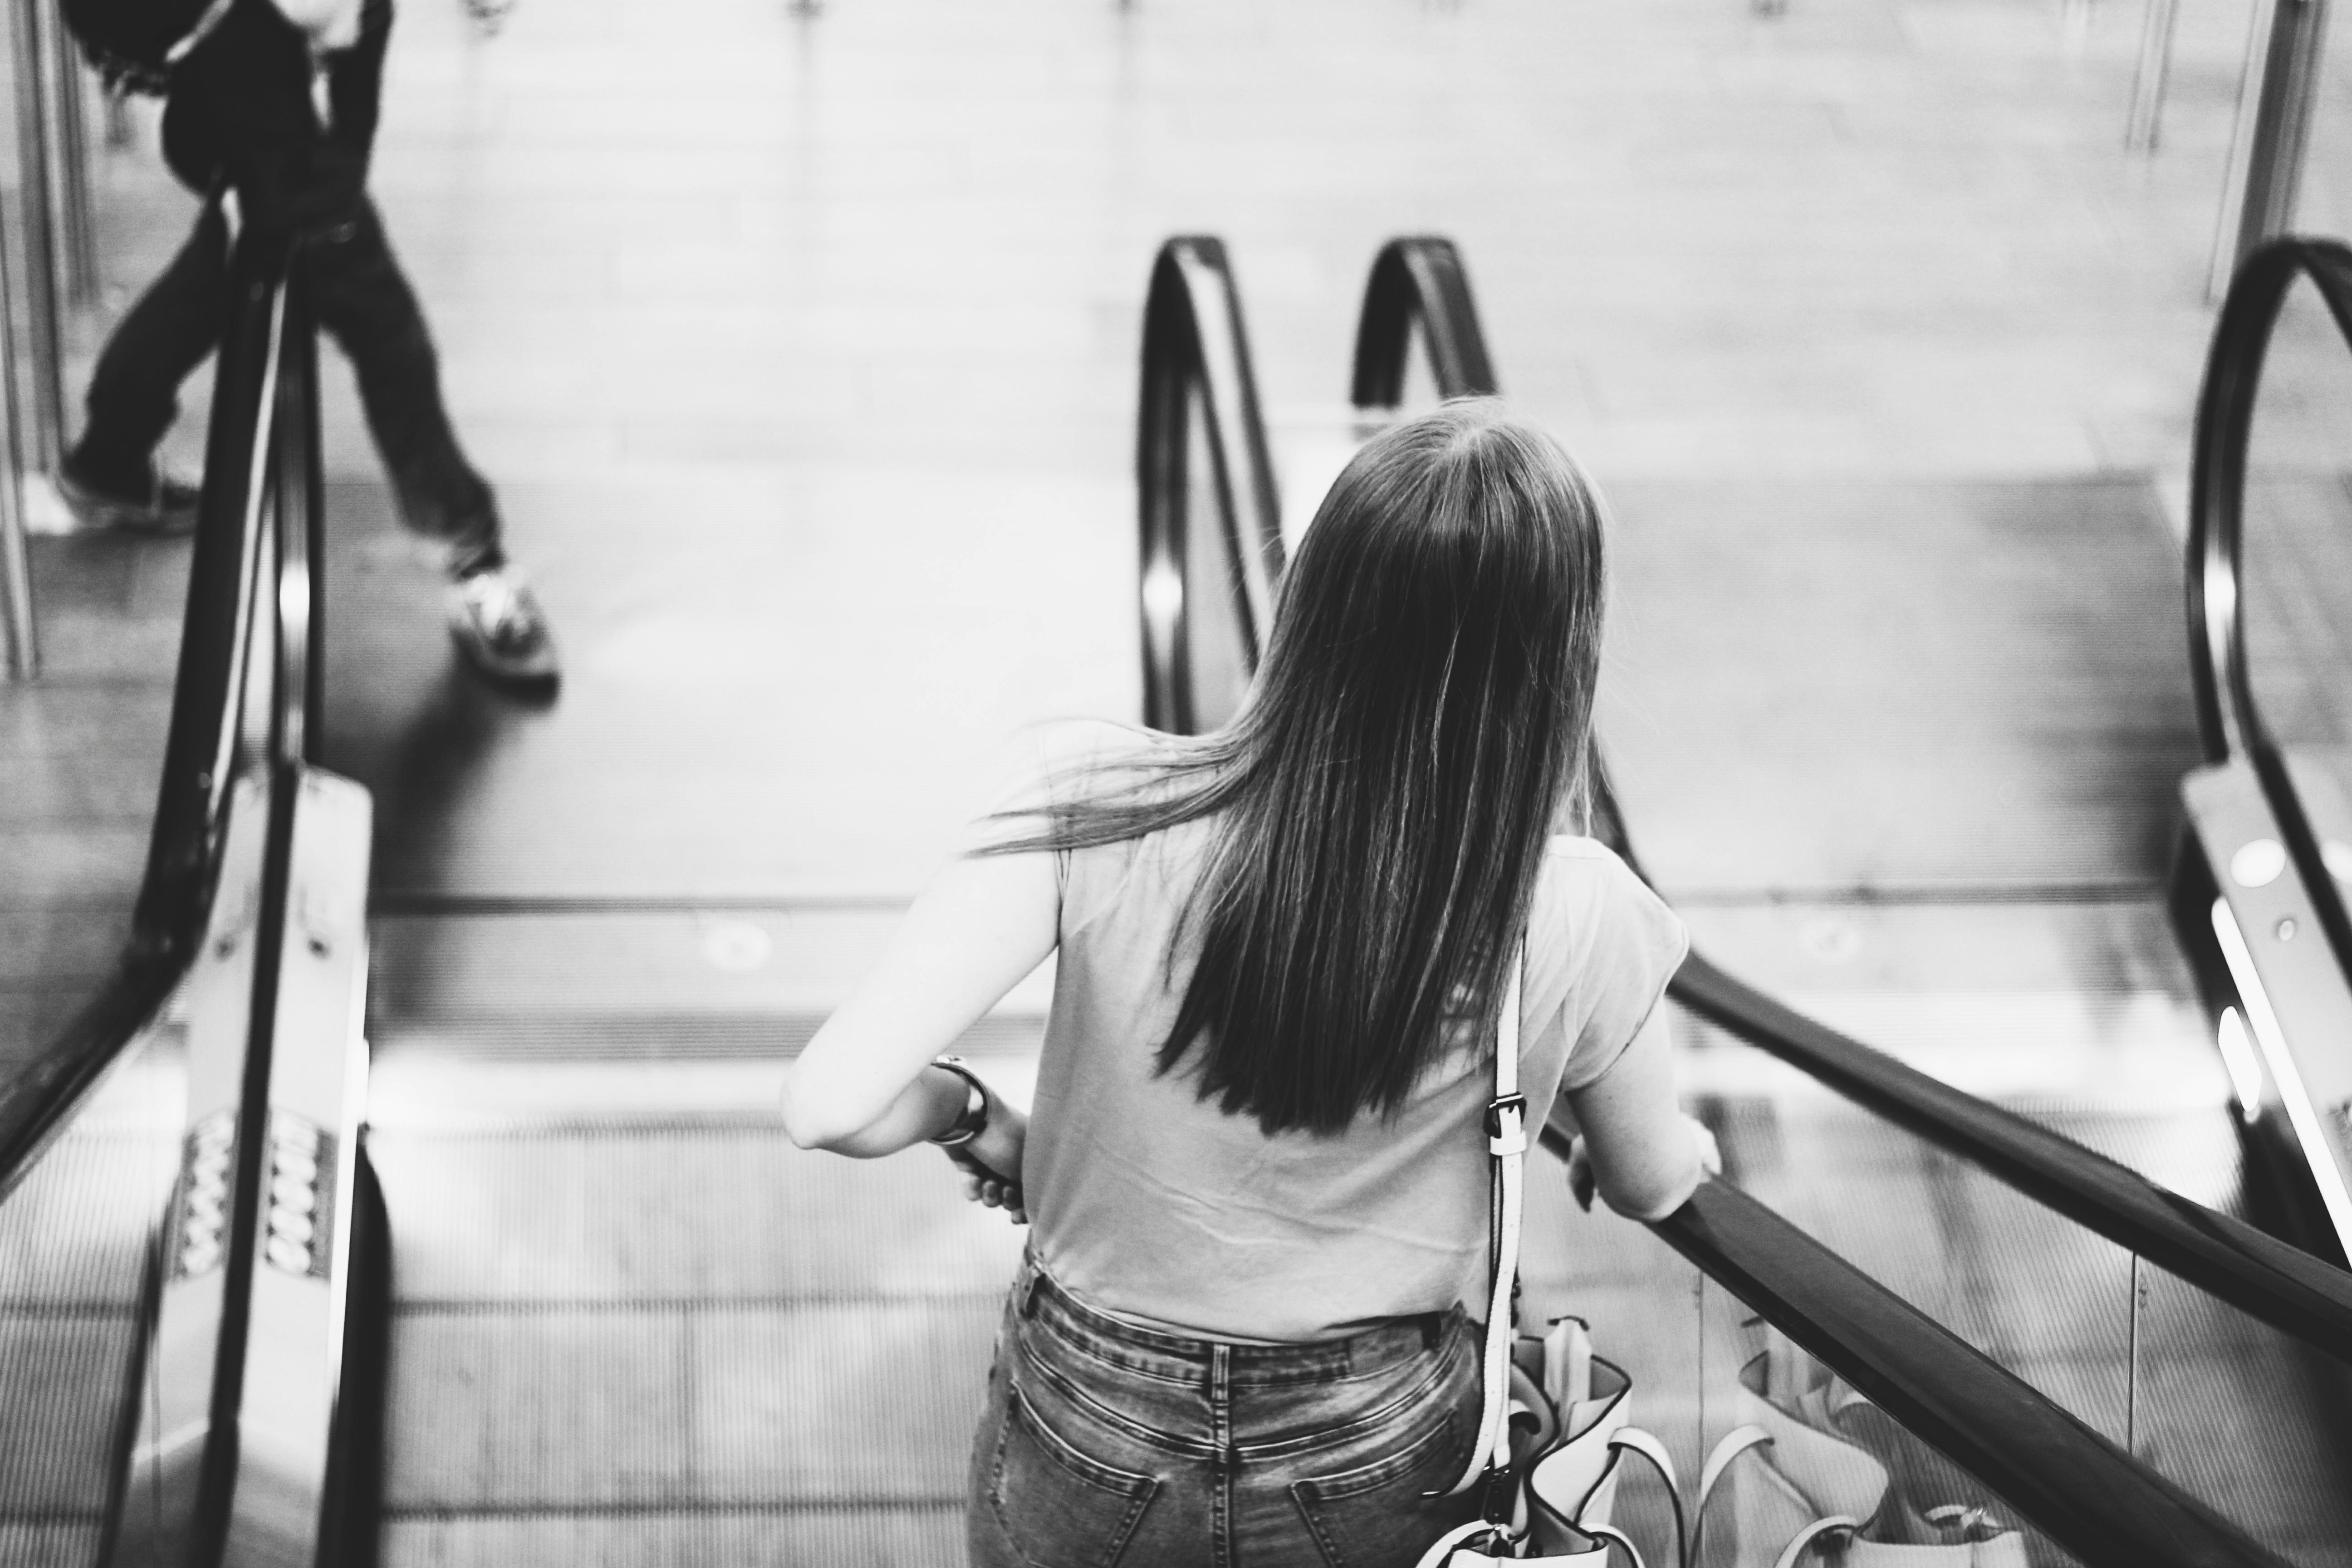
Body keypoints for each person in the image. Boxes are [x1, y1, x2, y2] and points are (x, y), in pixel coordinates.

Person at [781, 399, 1717, 1568]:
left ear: (1312, 595)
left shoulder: (1091, 797)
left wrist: (971, 1115)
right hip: (1372, 1439)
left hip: (1088, 1415)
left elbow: (830, 1103)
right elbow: (1650, 1181)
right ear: (1560, 654)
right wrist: (1654, 1135)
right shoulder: (1574, 908)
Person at [59, 0, 559, 689]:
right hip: (234, 42)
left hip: (248, 45)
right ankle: (472, 552)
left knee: (272, 229)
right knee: (373, 308)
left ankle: (111, 450)